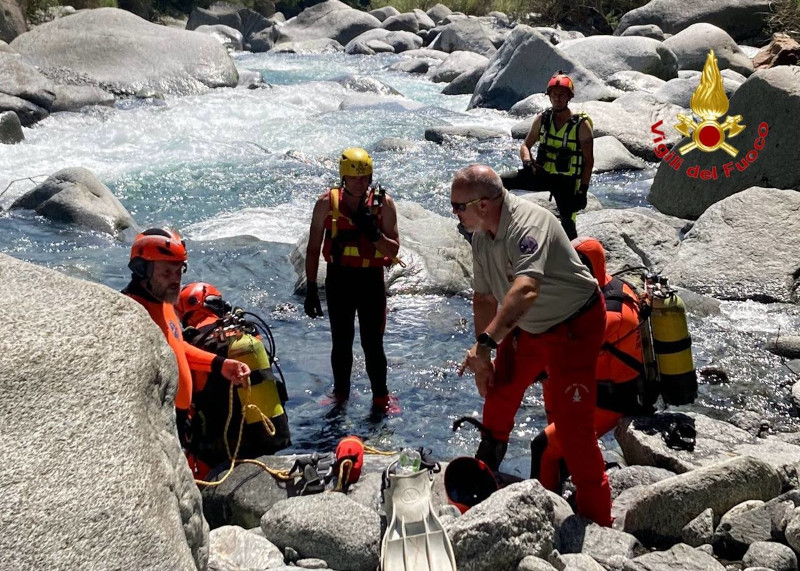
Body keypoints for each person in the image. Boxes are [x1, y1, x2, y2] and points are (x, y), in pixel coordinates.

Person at [453, 164, 611, 526]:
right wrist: (485, 358)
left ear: (482, 205)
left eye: (458, 206)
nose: (455, 214)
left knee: (574, 429)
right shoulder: (480, 237)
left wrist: (487, 342)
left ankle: (600, 523)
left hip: (574, 325)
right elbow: (483, 299)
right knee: (501, 390)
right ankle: (485, 471)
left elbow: (526, 289)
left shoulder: (528, 224)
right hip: (530, 326)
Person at [530, 236, 655, 495]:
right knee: (551, 385)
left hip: (615, 402)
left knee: (541, 446)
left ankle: (545, 504)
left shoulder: (609, 316)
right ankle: (563, 468)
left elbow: (559, 357)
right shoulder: (611, 286)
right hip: (601, 388)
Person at [122, 228, 250, 449]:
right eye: (166, 273)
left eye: (179, 272)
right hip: (158, 424)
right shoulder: (132, 312)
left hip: (180, 419)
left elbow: (176, 347)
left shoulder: (163, 301)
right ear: (142, 270)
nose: (175, 281)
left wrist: (220, 364)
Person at [304, 148, 401, 411]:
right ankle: (341, 394)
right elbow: (313, 248)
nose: (362, 183)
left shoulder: (384, 205)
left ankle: (381, 396)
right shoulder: (326, 203)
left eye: (366, 177)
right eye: (355, 178)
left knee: (373, 343)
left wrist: (373, 234)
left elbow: (393, 251)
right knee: (341, 341)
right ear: (343, 178)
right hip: (339, 280)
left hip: (371, 280)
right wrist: (312, 287)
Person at [176, 282, 291, 478]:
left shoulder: (192, 346)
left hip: (220, 450)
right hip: (267, 437)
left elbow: (186, 403)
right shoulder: (247, 332)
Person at [500, 71, 594, 240]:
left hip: (566, 181)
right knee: (501, 182)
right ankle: (501, 223)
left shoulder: (581, 125)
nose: (557, 98)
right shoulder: (542, 119)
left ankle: (574, 259)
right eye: (554, 95)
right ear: (549, 96)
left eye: (562, 95)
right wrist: (528, 162)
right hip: (542, 174)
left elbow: (588, 161)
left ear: (569, 97)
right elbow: (525, 146)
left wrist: (583, 190)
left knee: (568, 224)